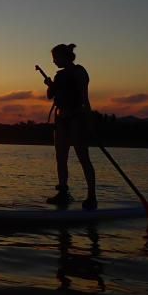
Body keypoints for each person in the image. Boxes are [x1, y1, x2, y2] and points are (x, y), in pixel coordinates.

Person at [43, 43, 97, 210]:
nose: (54, 62)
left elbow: (84, 98)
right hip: (61, 121)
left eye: (55, 58)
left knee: (83, 157)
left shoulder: (79, 72)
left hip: (76, 119)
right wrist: (50, 84)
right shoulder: (59, 76)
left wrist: (88, 122)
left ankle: (91, 196)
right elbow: (50, 95)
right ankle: (63, 193)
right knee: (61, 157)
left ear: (65, 57)